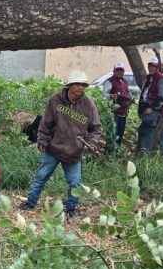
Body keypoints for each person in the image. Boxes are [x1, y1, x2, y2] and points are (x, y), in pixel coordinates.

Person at [18, 70, 102, 217]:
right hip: (53, 148)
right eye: (77, 84)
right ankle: (30, 202)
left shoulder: (88, 105)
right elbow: (45, 123)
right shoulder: (55, 100)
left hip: (73, 152)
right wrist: (42, 139)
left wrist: (92, 142)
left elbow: (96, 128)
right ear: (69, 85)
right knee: (40, 177)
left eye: (83, 85)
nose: (81, 87)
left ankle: (71, 209)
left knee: (75, 183)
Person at [137, 59, 163, 152]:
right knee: (142, 130)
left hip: (153, 109)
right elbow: (143, 93)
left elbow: (162, 97)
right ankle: (142, 151)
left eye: (153, 66)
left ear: (157, 67)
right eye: (150, 65)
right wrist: (140, 109)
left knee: (148, 129)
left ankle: (146, 152)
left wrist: (152, 108)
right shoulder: (147, 78)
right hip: (144, 108)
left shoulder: (161, 79)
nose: (151, 68)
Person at [103, 61, 132, 146]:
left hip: (123, 113)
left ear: (123, 71)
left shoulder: (125, 82)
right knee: (112, 134)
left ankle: (117, 150)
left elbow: (128, 93)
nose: (119, 72)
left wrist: (131, 99)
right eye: (117, 70)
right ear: (114, 71)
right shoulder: (109, 81)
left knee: (120, 133)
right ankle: (109, 150)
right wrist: (111, 96)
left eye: (121, 70)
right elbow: (104, 96)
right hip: (113, 113)